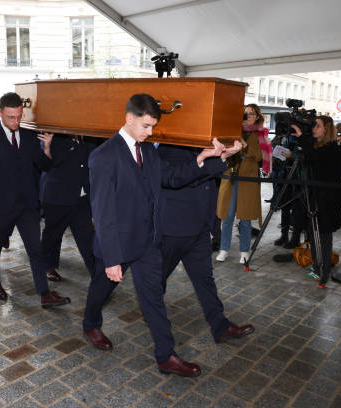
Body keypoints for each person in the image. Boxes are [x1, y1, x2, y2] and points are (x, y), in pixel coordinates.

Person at [84, 93, 229, 377]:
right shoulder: (103, 156)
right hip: (118, 243)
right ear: (129, 118)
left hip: (148, 242)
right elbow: (103, 212)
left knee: (153, 299)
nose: (150, 133)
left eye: (152, 127)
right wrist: (113, 258)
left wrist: (202, 158)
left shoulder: (148, 151)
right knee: (102, 287)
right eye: (146, 126)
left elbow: (171, 179)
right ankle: (90, 322)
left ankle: (166, 356)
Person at [0, 92, 70, 307]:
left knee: (36, 249)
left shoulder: (27, 136)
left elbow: (44, 166)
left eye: (18, 116)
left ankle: (44, 293)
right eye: (10, 117)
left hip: (28, 206)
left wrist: (46, 147)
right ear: (0, 113)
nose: (15, 121)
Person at [157, 140, 256, 344]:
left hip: (199, 227)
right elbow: (177, 179)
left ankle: (220, 326)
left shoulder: (201, 142)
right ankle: (153, 321)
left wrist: (222, 156)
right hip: (174, 227)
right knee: (156, 280)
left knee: (204, 279)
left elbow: (211, 178)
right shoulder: (169, 146)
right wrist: (213, 158)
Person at [290, 116, 341, 288]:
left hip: (327, 199)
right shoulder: (318, 145)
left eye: (317, 126)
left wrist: (301, 137)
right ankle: (317, 266)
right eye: (314, 125)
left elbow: (314, 157)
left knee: (323, 235)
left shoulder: (332, 148)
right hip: (315, 196)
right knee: (313, 233)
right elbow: (310, 155)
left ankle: (324, 270)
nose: (314, 129)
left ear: (326, 130)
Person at [40, 134, 98, 281]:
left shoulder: (89, 141)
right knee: (53, 235)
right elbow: (47, 163)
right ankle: (48, 266)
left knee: (86, 237)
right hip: (57, 198)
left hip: (81, 199)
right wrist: (47, 146)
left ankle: (98, 275)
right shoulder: (53, 138)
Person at [215, 104, 264, 264]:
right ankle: (224, 249)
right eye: (245, 113)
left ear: (257, 116)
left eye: (251, 114)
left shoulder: (260, 133)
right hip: (231, 175)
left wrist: (245, 145)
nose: (247, 116)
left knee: (245, 216)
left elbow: (259, 156)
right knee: (227, 216)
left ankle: (244, 251)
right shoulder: (234, 130)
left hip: (248, 179)